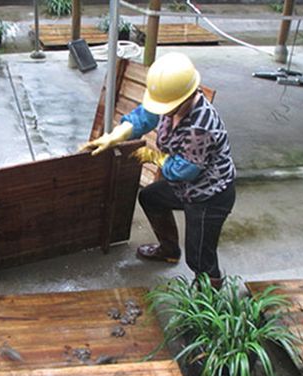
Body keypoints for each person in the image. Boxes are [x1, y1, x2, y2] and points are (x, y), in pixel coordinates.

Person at [82, 52, 236, 287]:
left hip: (209, 195)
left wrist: (156, 158)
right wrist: (116, 135)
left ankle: (209, 294)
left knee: (199, 255)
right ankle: (168, 250)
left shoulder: (201, 126)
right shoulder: (172, 102)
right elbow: (147, 115)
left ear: (186, 96)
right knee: (151, 197)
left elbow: (185, 170)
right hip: (186, 187)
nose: (164, 110)